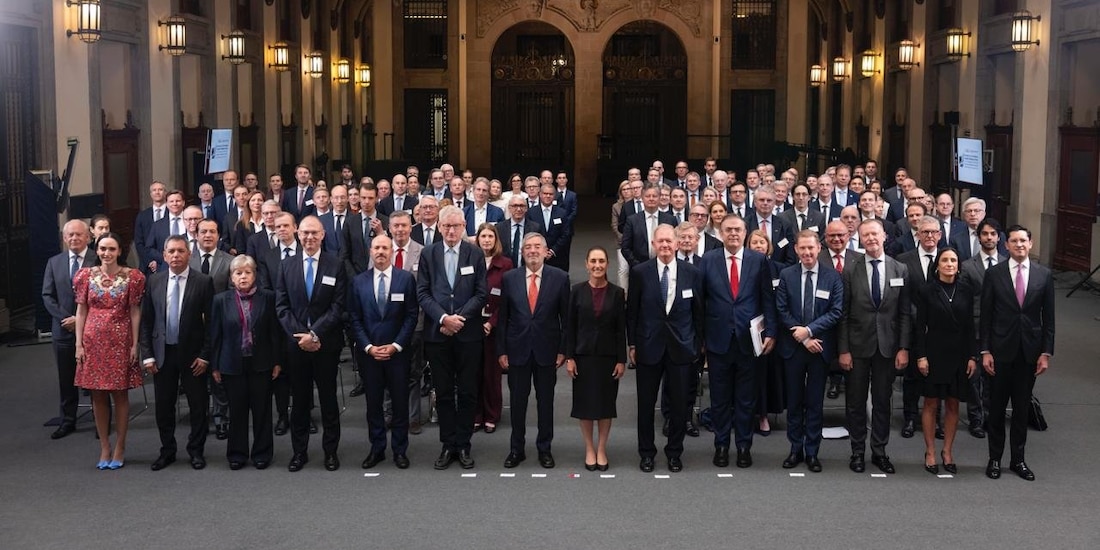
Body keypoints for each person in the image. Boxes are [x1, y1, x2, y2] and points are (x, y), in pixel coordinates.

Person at [980, 225, 1055, 481]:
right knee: (997, 409)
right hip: (999, 351)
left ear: (1030, 244)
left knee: (1021, 410)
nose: (1019, 245)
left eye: (1023, 240)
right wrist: (985, 350)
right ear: (1006, 245)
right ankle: (994, 459)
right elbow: (986, 315)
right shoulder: (994, 273)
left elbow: (1049, 318)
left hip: (1029, 352)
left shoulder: (1044, 275)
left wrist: (1046, 352)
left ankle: (1018, 460)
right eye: (1014, 241)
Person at [416, 205, 487, 469]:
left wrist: (458, 319)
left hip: (468, 335)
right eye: (446, 226)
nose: (451, 231)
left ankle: (464, 444)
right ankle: (448, 444)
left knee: (468, 391)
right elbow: (423, 292)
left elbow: (481, 293)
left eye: (456, 226)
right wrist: (444, 318)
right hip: (438, 335)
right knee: (443, 392)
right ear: (439, 227)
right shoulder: (428, 254)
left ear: (464, 227)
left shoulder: (475, 253)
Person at [838, 219, 912, 475]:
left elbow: (904, 313)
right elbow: (843, 314)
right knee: (856, 402)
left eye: (874, 234)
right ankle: (857, 451)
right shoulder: (850, 269)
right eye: (865, 235)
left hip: (888, 347)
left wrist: (903, 348)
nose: (870, 238)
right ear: (860, 239)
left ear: (884, 237)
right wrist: (843, 350)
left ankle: (879, 451)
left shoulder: (900, 269)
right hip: (857, 347)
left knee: (882, 401)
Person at [627, 225, 703, 473]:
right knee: (646, 405)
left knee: (680, 406)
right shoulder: (640, 272)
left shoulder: (693, 273)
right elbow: (632, 312)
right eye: (660, 241)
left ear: (677, 244)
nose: (665, 245)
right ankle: (646, 453)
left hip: (681, 348)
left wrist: (697, 345)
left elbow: (698, 313)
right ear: (653, 244)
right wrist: (632, 343)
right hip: (648, 346)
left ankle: (674, 452)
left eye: (669, 241)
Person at [275, 216, 347, 472]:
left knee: (328, 400)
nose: (309, 237)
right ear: (298, 234)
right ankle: (299, 452)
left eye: (314, 233)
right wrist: (302, 336)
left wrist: (315, 334)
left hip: (326, 344)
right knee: (300, 401)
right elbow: (281, 307)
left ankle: (330, 452)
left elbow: (338, 306)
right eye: (305, 232)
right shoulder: (286, 265)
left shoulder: (335, 264)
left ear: (323, 234)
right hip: (297, 346)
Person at [140, 235, 215, 471]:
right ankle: (167, 450)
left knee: (198, 406)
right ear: (164, 255)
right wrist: (147, 355)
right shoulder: (154, 281)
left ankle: (196, 450)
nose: (175, 255)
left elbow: (212, 323)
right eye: (171, 251)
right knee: (164, 406)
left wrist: (205, 355)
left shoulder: (203, 282)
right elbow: (146, 321)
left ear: (189, 254)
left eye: (180, 251)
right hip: (162, 354)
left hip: (193, 356)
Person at [497, 233, 570, 469]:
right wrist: (501, 351)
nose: (532, 250)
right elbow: (503, 318)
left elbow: (566, 318)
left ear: (546, 251)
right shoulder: (509, 278)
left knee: (545, 403)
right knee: (517, 403)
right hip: (517, 350)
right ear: (521, 252)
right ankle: (516, 449)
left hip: (547, 350)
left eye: (537, 246)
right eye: (528, 247)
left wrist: (563, 350)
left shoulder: (560, 278)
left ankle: (544, 449)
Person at [74, 232, 146, 469]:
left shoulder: (132, 277)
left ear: (119, 251)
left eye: (112, 249)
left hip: (120, 340)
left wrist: (135, 344)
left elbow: (135, 312)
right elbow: (81, 311)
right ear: (97, 250)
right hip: (92, 341)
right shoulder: (85, 275)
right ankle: (104, 446)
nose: (107, 253)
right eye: (103, 248)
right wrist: (78, 344)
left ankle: (120, 446)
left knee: (120, 394)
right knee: (97, 394)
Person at [348, 235, 419, 470]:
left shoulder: (405, 279)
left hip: (397, 354)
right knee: (373, 404)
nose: (380, 251)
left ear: (391, 251)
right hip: (369, 355)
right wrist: (368, 347)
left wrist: (396, 345)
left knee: (399, 404)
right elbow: (354, 318)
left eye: (385, 248)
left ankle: (400, 450)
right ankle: (377, 448)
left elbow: (411, 316)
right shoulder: (358, 282)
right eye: (376, 247)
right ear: (370, 251)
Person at [776, 231, 844, 472]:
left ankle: (812, 451)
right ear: (796, 250)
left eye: (811, 248)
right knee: (794, 402)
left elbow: (836, 311)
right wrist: (804, 338)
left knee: (815, 403)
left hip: (820, 348)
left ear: (819, 249)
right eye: (802, 248)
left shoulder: (832, 276)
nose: (807, 252)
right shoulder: (787, 275)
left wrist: (810, 331)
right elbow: (781, 309)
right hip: (794, 348)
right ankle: (795, 448)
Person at [209, 255, 283, 470]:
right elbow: (215, 335)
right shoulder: (220, 300)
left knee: (262, 410)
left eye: (247, 272)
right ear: (231, 277)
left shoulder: (268, 297)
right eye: (238, 273)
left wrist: (277, 361)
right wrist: (215, 365)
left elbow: (275, 333)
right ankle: (237, 453)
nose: (243, 277)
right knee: (237, 411)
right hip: (232, 363)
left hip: (262, 362)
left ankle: (262, 453)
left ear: (254, 275)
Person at [913, 248, 976, 475]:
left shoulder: (966, 290)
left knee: (953, 404)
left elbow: (970, 326)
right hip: (933, 353)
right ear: (937, 265)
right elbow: (919, 326)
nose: (949, 264)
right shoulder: (926, 290)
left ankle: (947, 451)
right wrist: (921, 356)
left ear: (958, 266)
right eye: (945, 260)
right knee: (931, 403)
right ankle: (930, 451)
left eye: (953, 260)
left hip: (959, 354)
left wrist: (972, 356)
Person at [565, 246, 626, 471]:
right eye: (593, 261)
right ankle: (589, 448)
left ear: (607, 264)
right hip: (583, 357)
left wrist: (621, 359)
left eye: (601, 261)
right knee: (585, 406)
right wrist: (570, 357)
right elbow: (570, 327)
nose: (597, 265)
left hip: (608, 358)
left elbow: (620, 329)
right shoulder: (576, 291)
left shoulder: (617, 293)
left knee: (605, 406)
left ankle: (602, 448)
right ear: (586, 264)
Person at [42, 220, 96, 439]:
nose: (74, 238)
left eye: (78, 234)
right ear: (64, 238)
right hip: (63, 330)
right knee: (66, 379)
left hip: (93, 329)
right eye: (70, 235)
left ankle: (101, 421)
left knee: (96, 379)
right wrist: (67, 318)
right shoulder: (54, 262)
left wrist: (81, 320)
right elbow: (47, 295)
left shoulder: (98, 259)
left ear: (87, 237)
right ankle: (67, 421)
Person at [958, 218, 1007, 438]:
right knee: (974, 376)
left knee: (994, 376)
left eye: (993, 234)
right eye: (985, 234)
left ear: (999, 237)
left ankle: (991, 416)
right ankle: (975, 418)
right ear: (979, 237)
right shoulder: (968, 266)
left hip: (1001, 329)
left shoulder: (1007, 263)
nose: (989, 238)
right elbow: (964, 300)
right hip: (975, 327)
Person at [191, 218, 232, 441]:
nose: (207, 235)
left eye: (212, 231)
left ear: (218, 235)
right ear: (196, 235)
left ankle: (221, 418)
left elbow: (233, 295)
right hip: (193, 327)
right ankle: (200, 418)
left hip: (221, 325)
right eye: (203, 231)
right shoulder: (187, 259)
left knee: (219, 376)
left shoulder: (229, 261)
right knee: (197, 375)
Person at [475, 223, 513, 434]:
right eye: (483, 236)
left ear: (496, 239)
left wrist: (491, 323)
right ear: (478, 239)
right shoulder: (470, 260)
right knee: (473, 372)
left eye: (490, 236)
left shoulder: (506, 264)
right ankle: (476, 414)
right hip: (473, 325)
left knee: (492, 374)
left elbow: (507, 298)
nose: (487, 240)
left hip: (494, 326)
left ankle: (491, 415)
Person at [746, 229, 785, 436]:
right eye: (754, 242)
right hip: (748, 329)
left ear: (768, 246)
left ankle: (763, 415)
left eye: (762, 242)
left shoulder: (781, 269)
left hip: (772, 329)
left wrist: (772, 329)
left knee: (767, 376)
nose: (759, 246)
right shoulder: (745, 267)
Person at [231, 191, 265, 255]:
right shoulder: (241, 225)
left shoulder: (269, 222)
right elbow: (240, 249)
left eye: (260, 200)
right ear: (248, 203)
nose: (256, 202)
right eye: (253, 200)